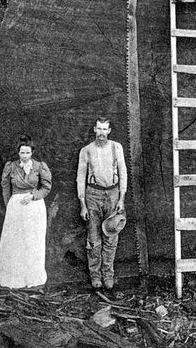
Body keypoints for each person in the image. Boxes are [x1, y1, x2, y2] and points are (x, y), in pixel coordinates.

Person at [0, 135, 52, 290]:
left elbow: (46, 187)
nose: (25, 156)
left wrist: (33, 196)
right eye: (22, 153)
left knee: (32, 242)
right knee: (14, 242)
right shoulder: (11, 167)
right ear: (18, 153)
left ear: (32, 153)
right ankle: (14, 278)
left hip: (34, 207)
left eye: (27, 153)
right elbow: (5, 186)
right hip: (16, 207)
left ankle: (32, 278)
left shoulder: (39, 166)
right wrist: (10, 205)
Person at [77, 117, 127, 291]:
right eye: (99, 129)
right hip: (93, 195)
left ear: (109, 131)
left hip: (113, 195)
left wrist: (121, 199)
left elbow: (123, 173)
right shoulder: (86, 150)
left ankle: (108, 274)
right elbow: (80, 177)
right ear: (94, 129)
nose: (101, 133)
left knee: (111, 236)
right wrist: (82, 203)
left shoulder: (116, 147)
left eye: (105, 129)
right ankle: (95, 276)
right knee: (93, 238)